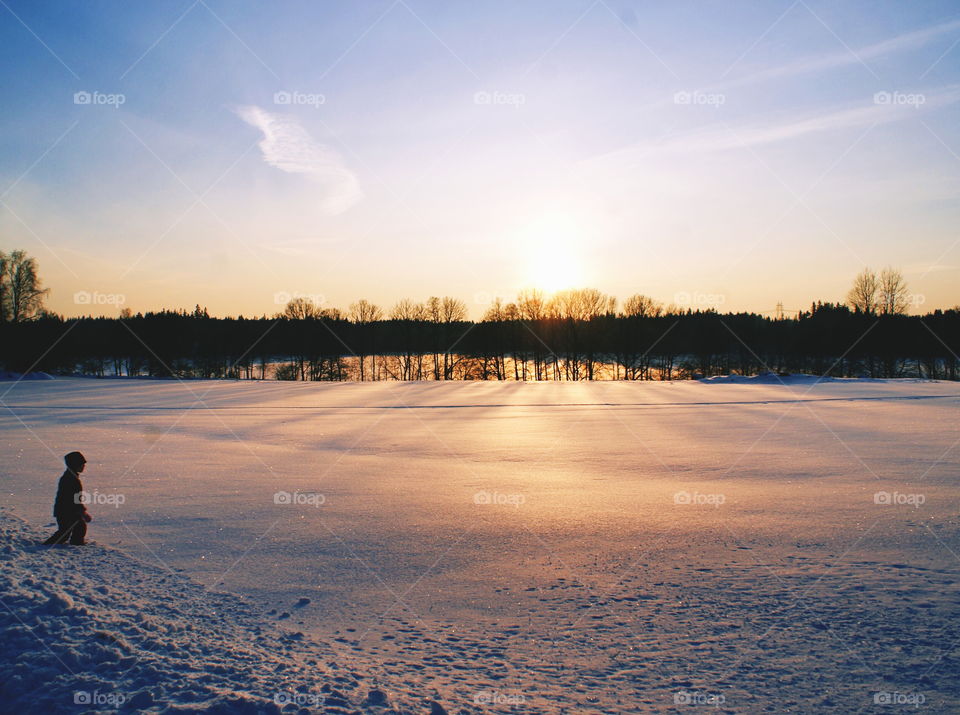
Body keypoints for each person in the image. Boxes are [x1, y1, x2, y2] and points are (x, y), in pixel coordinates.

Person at [43, 451, 91, 545]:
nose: (83, 467)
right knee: (65, 532)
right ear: (75, 465)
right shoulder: (70, 479)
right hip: (65, 511)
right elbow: (73, 499)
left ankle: (77, 542)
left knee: (79, 526)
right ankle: (47, 545)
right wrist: (82, 512)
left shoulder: (71, 477)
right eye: (81, 464)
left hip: (68, 510)